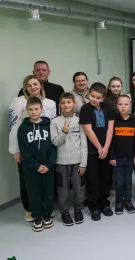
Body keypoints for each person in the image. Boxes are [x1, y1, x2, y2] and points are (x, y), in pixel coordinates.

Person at [9, 75, 56, 222]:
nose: (33, 87)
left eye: (35, 84)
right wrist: (14, 150)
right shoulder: (18, 102)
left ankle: (46, 209)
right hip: (27, 147)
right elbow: (14, 127)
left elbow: (53, 127)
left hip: (45, 148)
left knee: (47, 183)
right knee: (27, 181)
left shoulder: (50, 103)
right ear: (25, 88)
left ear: (41, 85)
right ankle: (30, 209)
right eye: (29, 85)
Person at [18, 97, 57, 232]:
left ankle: (47, 215)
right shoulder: (23, 128)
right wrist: (35, 166)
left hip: (48, 167)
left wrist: (49, 164)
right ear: (26, 110)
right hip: (31, 168)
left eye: (36, 109)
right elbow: (24, 151)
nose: (33, 112)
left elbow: (54, 146)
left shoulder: (49, 125)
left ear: (42, 109)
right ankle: (37, 217)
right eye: (30, 109)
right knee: (34, 193)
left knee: (48, 192)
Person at [79, 82, 115, 221]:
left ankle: (104, 204)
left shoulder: (108, 108)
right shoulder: (85, 109)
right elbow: (88, 130)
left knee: (106, 178)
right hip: (92, 150)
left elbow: (110, 129)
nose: (94, 99)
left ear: (103, 98)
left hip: (106, 149)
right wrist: (99, 148)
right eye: (92, 96)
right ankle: (94, 207)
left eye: (98, 97)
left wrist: (106, 147)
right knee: (93, 179)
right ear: (89, 94)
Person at [50, 93, 87, 226]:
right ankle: (64, 211)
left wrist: (83, 163)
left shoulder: (79, 120)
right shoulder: (54, 122)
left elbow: (84, 143)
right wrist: (64, 132)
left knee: (79, 187)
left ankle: (78, 209)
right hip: (61, 162)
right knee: (62, 189)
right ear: (59, 105)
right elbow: (55, 142)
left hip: (77, 161)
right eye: (63, 103)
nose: (66, 105)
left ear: (74, 104)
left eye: (69, 102)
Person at [109, 95, 135, 215]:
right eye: (120, 104)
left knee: (128, 181)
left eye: (126, 104)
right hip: (117, 158)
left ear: (130, 106)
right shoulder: (114, 120)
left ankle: (127, 201)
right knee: (119, 181)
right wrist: (111, 156)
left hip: (130, 157)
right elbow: (110, 140)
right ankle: (119, 202)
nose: (123, 107)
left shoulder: (133, 120)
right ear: (117, 106)